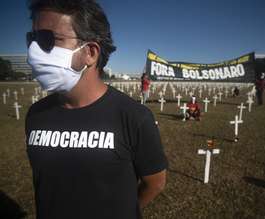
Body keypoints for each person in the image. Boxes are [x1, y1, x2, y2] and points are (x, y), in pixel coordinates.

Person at [24, 1, 168, 219]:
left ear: (90, 52)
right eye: (31, 39)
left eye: (47, 39)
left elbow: (155, 183)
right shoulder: (35, 115)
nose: (34, 50)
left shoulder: (134, 117)